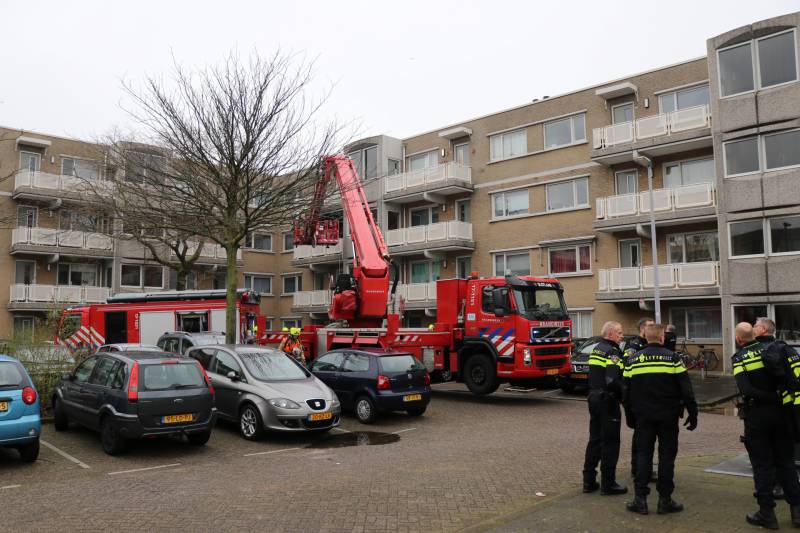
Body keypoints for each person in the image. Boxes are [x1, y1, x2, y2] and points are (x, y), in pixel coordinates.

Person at [624, 323, 697, 515]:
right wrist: (693, 413)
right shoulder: (673, 359)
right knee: (667, 457)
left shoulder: (632, 360)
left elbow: (626, 393)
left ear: (645, 337)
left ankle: (640, 500)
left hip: (643, 416)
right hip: (668, 416)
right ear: (662, 338)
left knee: (643, 456)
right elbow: (686, 390)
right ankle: (665, 500)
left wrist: (630, 417)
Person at [733, 321, 800, 529]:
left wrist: (770, 397)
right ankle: (798, 512)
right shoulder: (777, 349)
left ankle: (767, 514)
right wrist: (780, 398)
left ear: (738, 339)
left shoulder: (739, 358)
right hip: (783, 415)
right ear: (754, 334)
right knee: (786, 463)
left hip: (758, 417)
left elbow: (746, 390)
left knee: (762, 466)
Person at [582, 321, 628, 496]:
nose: (622, 336)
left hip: (593, 398)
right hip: (607, 401)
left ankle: (588, 481)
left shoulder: (597, 348)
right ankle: (608, 484)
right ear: (610, 334)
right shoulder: (613, 351)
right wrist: (625, 394)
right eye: (619, 332)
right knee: (610, 442)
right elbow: (612, 380)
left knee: (595, 439)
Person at [625, 317, 654, 479]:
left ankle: (644, 469)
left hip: (648, 397)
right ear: (642, 329)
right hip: (638, 398)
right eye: (650, 326)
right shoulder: (634, 345)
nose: (653, 328)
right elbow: (626, 365)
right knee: (640, 437)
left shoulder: (650, 344)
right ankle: (638, 469)